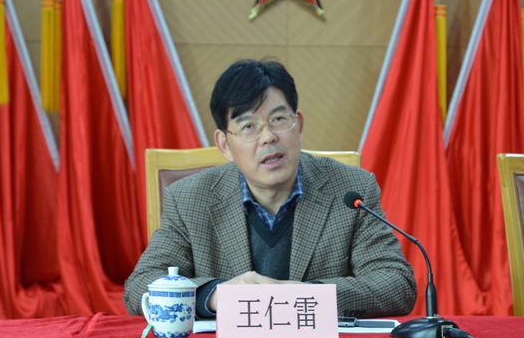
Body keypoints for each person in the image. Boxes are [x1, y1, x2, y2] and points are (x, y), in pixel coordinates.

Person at [124, 58, 416, 318]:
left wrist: (306, 295)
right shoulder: (190, 198)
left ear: (298, 125)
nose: (268, 137)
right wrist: (215, 295)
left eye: (278, 120)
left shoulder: (350, 189)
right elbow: (140, 286)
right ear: (225, 145)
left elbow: (396, 283)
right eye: (248, 126)